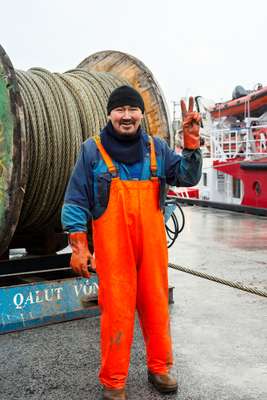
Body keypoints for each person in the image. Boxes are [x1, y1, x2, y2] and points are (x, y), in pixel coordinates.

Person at [61, 86, 202, 400]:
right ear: (109, 114)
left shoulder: (158, 148)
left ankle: (160, 368)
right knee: (117, 312)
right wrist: (79, 243)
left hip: (151, 249)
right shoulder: (91, 151)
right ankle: (114, 382)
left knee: (155, 306)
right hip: (114, 251)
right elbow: (74, 200)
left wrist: (192, 148)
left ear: (140, 114)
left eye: (132, 110)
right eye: (120, 110)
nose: (126, 116)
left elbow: (187, 177)